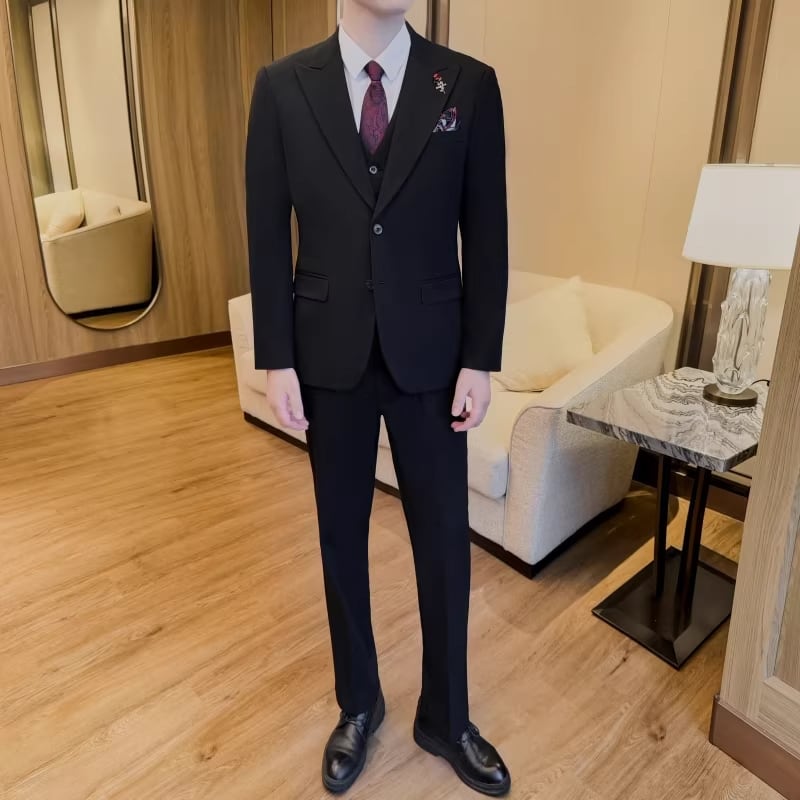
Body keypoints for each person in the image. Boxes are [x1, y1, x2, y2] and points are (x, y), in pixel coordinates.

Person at [246, 0, 509, 794]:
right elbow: (266, 232)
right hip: (329, 354)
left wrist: (481, 358)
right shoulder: (282, 88)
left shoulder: (468, 84)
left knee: (445, 543)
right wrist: (276, 357)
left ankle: (447, 716)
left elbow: (487, 230)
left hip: (433, 356)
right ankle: (358, 702)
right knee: (340, 540)